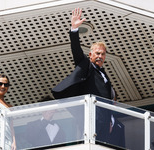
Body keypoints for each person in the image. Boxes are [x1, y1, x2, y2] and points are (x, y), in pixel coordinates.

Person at [52, 8, 124, 147]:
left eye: (102, 54)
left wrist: (110, 120)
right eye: (97, 53)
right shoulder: (87, 65)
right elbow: (76, 50)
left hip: (104, 119)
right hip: (92, 116)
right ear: (90, 55)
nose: (100, 56)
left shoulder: (104, 74)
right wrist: (74, 28)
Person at [0, 73, 16, 150]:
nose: (2, 86)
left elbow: (11, 127)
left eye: (6, 85)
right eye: (0, 83)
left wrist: (14, 142)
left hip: (7, 140)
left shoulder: (10, 107)